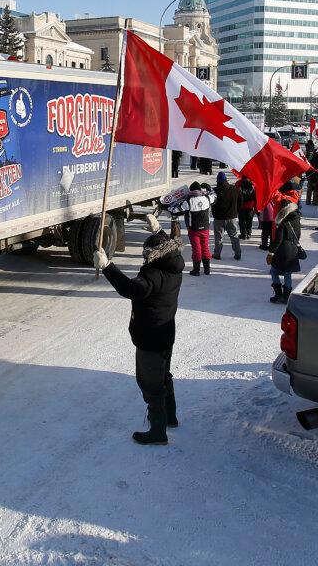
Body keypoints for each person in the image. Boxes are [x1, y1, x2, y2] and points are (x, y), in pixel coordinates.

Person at [94, 216, 184, 446]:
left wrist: (107, 266)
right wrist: (158, 229)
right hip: (165, 332)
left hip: (150, 337)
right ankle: (170, 417)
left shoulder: (153, 275)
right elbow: (171, 241)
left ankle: (158, 432)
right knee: (164, 375)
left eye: (145, 253)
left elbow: (130, 288)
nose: (144, 257)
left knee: (151, 383)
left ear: (152, 255)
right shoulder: (174, 263)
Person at [267, 199, 303, 303]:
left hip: (283, 250)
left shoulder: (283, 222)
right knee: (288, 273)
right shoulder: (296, 219)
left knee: (274, 271)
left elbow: (278, 240)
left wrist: (271, 252)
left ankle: (278, 295)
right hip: (293, 249)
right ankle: (286, 296)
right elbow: (298, 236)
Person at [184, 181, 213, 276]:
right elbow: (215, 196)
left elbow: (178, 209)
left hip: (194, 229)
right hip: (205, 228)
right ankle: (207, 270)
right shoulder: (207, 198)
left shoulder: (188, 200)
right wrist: (209, 188)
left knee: (196, 249)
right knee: (205, 247)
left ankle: (196, 270)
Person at [211, 172, 241, 260]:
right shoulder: (234, 189)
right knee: (234, 236)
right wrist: (236, 211)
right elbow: (241, 200)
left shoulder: (214, 191)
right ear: (226, 180)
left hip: (219, 218)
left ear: (217, 180)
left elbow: (211, 202)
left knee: (219, 237)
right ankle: (238, 253)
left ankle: (217, 254)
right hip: (232, 217)